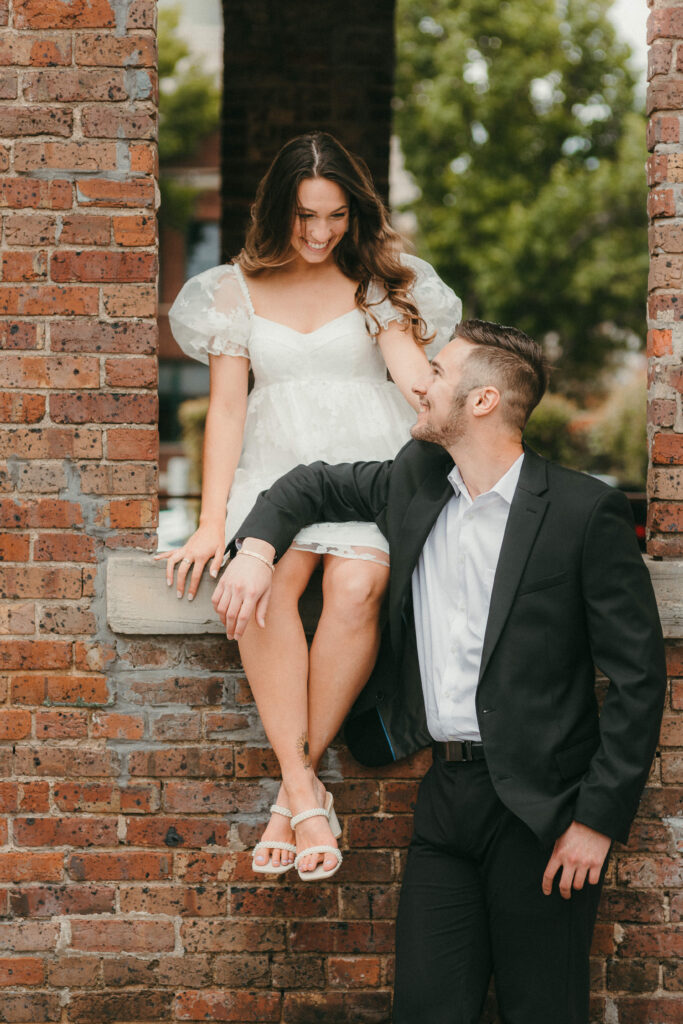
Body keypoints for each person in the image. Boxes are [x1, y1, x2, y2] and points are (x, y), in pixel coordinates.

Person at [212, 319, 666, 1024]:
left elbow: (639, 678)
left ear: (482, 401)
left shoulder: (582, 511)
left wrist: (596, 822)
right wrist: (254, 550)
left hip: (543, 812)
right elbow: (309, 486)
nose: (420, 382)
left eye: (439, 372)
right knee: (424, 1011)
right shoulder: (416, 482)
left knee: (541, 1012)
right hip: (444, 799)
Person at [158, 131, 461, 881]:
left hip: (366, 470)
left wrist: (462, 405)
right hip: (274, 472)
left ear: (354, 212)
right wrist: (208, 521)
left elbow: (413, 382)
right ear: (275, 212)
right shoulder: (232, 291)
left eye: (334, 216)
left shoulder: (376, 284)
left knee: (356, 586)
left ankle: (289, 799)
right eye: (304, 217)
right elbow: (226, 410)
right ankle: (303, 792)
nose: (321, 232)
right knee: (264, 590)